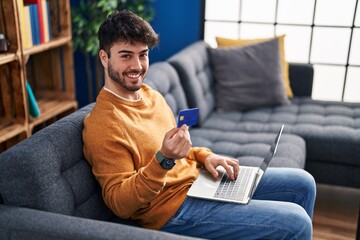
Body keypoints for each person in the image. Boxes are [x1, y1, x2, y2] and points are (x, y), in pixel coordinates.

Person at [82, 10, 316, 240]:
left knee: (303, 184)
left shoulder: (150, 95)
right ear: (104, 58)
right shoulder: (103, 124)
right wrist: (164, 159)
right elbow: (120, 204)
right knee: (295, 223)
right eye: (125, 56)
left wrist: (205, 157)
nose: (137, 66)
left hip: (198, 180)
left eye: (143, 55)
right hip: (172, 210)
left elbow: (176, 152)